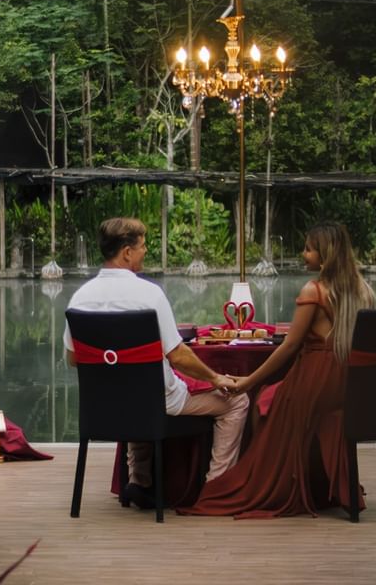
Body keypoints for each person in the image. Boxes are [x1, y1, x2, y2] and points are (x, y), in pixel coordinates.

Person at [178, 222, 375, 518]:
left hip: (316, 379)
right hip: (346, 383)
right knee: (271, 396)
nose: (303, 254)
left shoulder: (315, 291)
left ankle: (271, 477)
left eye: (308, 249)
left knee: (262, 399)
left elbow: (289, 346)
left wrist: (247, 381)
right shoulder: (363, 290)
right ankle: (311, 480)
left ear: (325, 255)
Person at [63, 217, 249, 509]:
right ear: (126, 252)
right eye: (142, 246)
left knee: (136, 386)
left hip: (104, 406)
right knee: (238, 402)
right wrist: (215, 378)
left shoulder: (79, 298)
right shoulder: (149, 295)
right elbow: (178, 356)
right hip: (156, 402)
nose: (145, 251)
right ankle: (217, 489)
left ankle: (139, 481)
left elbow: (74, 358)